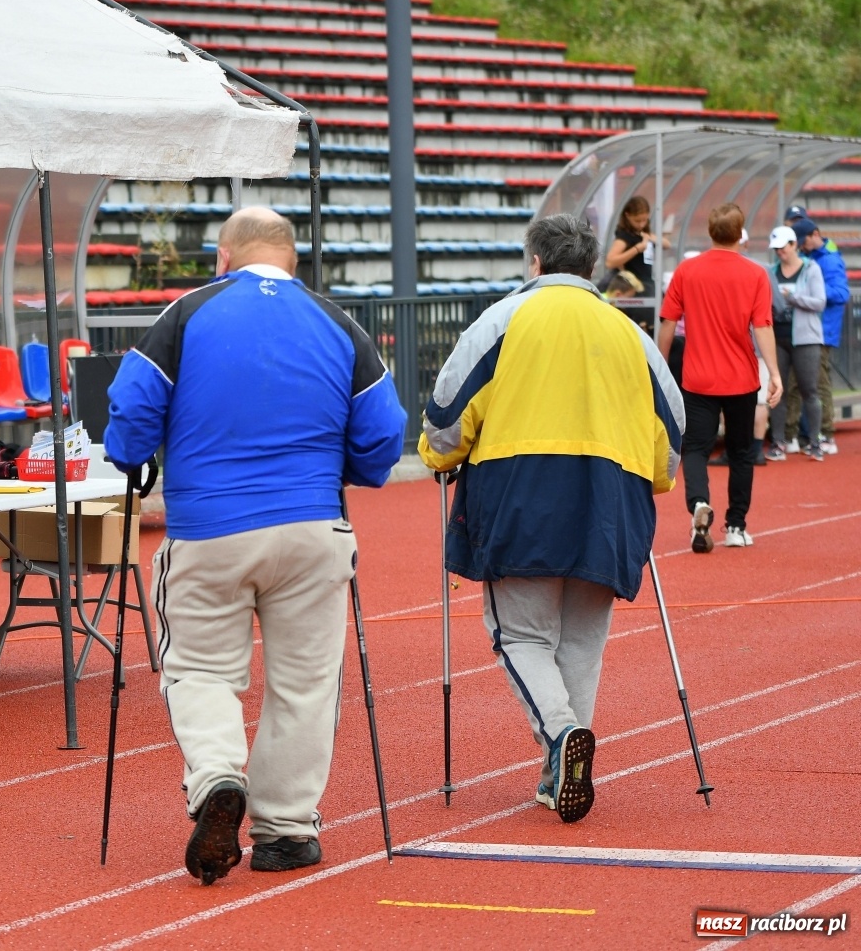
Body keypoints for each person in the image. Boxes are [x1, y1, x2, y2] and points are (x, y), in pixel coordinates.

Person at [105, 206, 406, 882]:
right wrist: (345, 467)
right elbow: (385, 435)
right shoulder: (338, 321)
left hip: (208, 527)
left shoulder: (186, 313)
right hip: (311, 526)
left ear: (225, 255)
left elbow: (128, 412)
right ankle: (286, 831)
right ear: (292, 259)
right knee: (305, 682)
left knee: (199, 667)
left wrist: (135, 457)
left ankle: (216, 774)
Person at [420, 213, 684, 824]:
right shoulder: (629, 333)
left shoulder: (504, 318)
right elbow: (671, 431)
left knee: (520, 635)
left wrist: (439, 455)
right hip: (611, 495)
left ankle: (563, 737)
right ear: (591, 266)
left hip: (522, 490)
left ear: (534, 262)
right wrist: (657, 477)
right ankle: (560, 766)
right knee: (583, 642)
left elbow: (447, 412)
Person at [658, 204, 780, 552]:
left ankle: (698, 503)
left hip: (697, 378)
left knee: (695, 448)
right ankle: (736, 526)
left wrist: (662, 365)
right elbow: (762, 327)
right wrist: (773, 373)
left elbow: (668, 323)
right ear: (740, 233)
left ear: (710, 232)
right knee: (742, 453)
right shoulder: (755, 274)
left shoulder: (687, 270)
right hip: (741, 377)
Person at [786, 213, 849, 454]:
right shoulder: (811, 257)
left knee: (818, 384)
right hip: (807, 330)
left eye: (805, 240)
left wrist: (813, 293)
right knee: (796, 384)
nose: (802, 245)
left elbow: (841, 294)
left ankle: (826, 435)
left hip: (822, 332)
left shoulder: (829, 260)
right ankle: (798, 435)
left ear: (816, 234)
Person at [764, 226, 827, 462]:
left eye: (782, 248)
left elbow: (820, 302)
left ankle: (815, 441)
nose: (779, 253)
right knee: (776, 391)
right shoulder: (771, 271)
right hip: (777, 337)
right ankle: (778, 442)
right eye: (776, 249)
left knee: (809, 390)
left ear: (793, 245)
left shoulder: (811, 269)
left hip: (806, 339)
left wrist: (792, 297)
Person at [604, 194, 670, 297]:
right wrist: (636, 249)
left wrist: (651, 237)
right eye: (637, 221)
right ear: (627, 215)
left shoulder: (643, 234)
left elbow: (667, 244)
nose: (641, 225)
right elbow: (610, 262)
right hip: (631, 287)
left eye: (645, 220)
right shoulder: (625, 237)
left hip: (646, 282)